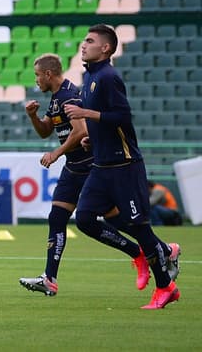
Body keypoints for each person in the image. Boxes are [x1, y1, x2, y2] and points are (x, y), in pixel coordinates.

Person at [62, 24, 182, 309]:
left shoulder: (108, 77)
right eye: (84, 40)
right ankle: (144, 252)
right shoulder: (90, 77)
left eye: (90, 40)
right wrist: (92, 139)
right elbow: (105, 122)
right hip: (102, 165)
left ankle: (166, 287)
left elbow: (122, 116)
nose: (83, 45)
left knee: (138, 226)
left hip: (124, 166)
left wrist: (85, 113)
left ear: (105, 48)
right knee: (85, 219)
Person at [18, 53, 93, 296]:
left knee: (112, 221)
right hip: (73, 167)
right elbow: (45, 131)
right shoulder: (56, 98)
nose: (36, 80)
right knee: (57, 218)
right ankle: (49, 279)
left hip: (90, 166)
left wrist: (56, 153)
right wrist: (33, 116)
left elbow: (81, 131)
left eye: (37, 75)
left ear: (48, 74)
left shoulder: (68, 95)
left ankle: (152, 252)